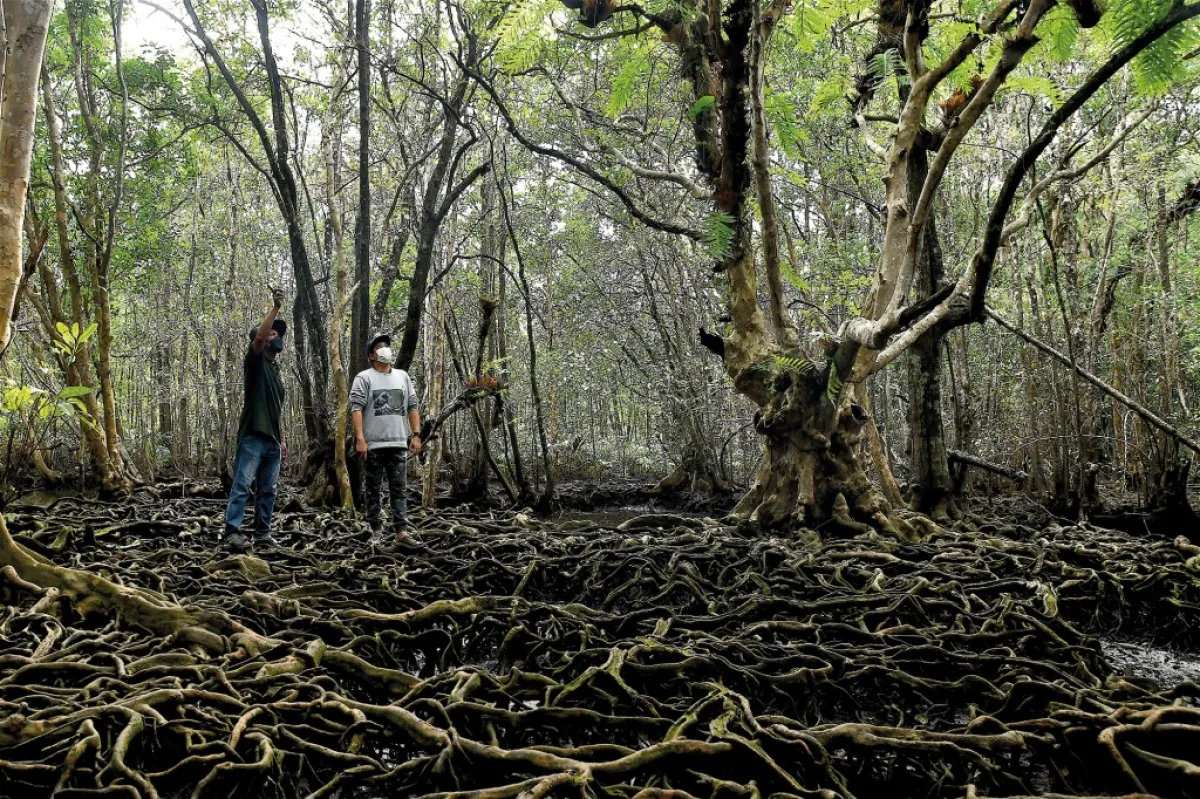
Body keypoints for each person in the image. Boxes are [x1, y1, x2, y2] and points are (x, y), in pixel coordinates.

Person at [223, 288, 287, 552]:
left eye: (278, 334)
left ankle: (263, 533)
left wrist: (282, 441)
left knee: (267, 490)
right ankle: (232, 533)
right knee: (242, 485)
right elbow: (260, 338)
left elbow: (276, 410)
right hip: (252, 436)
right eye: (273, 333)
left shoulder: (276, 371)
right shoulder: (256, 362)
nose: (276, 336)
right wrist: (275, 308)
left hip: (272, 441)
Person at [350, 333, 422, 549]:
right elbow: (356, 409)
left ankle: (401, 531)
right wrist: (360, 439)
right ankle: (376, 530)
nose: (385, 349)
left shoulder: (402, 377)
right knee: (372, 488)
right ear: (371, 355)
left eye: (387, 346)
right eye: (379, 346)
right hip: (373, 445)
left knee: (399, 489)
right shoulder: (364, 378)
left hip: (398, 443)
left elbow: (412, 406)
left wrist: (416, 434)